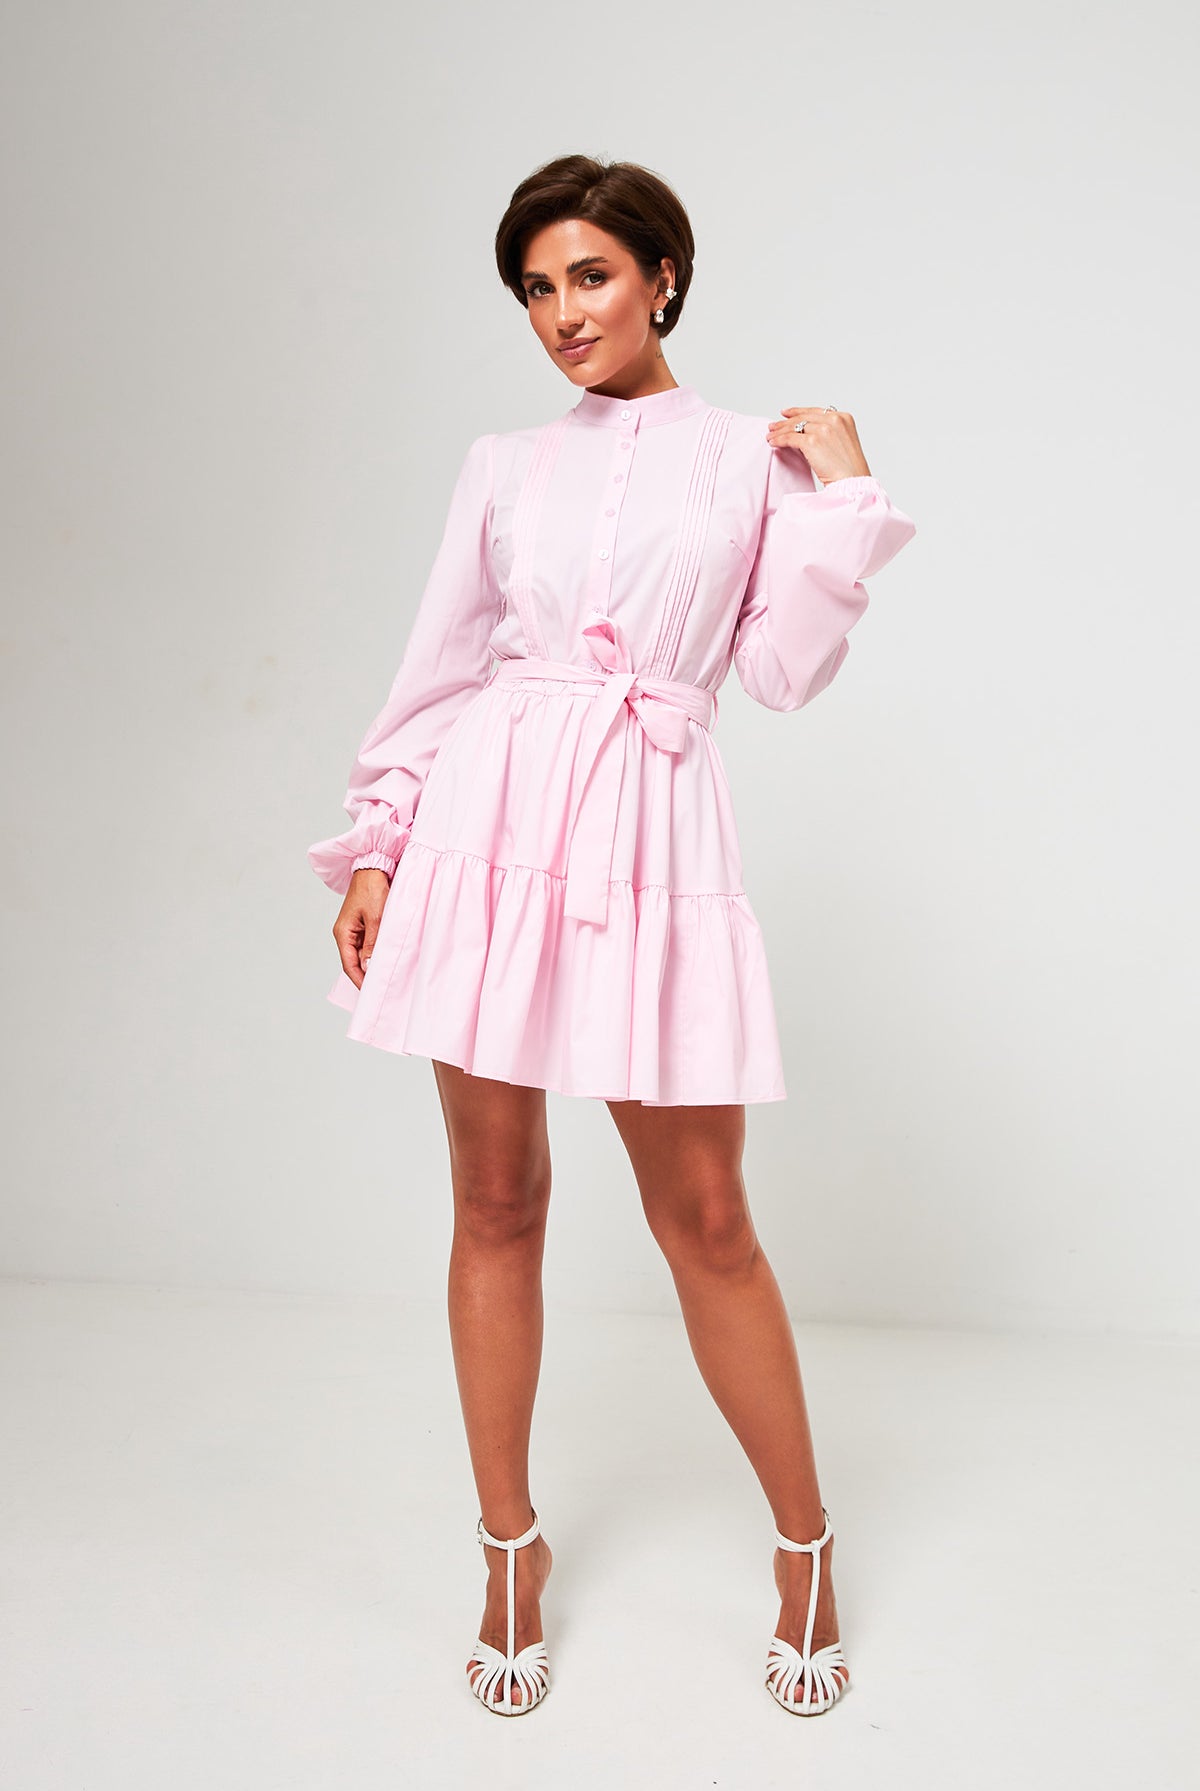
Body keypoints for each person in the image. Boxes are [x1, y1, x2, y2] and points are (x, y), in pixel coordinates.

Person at [307, 153, 917, 1718]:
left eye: (589, 276)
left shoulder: (752, 462)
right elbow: (444, 663)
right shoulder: (504, 465)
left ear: (662, 277)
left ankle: (804, 1543)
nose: (562, 313)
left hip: (648, 832)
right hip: (488, 828)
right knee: (495, 1199)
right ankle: (510, 1549)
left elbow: (779, 673)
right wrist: (379, 844)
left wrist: (845, 497)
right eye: (536, 289)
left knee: (706, 1218)